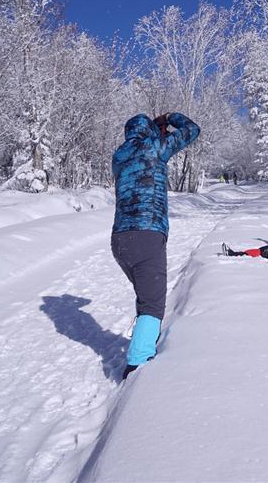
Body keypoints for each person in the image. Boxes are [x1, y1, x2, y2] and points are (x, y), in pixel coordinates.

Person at [111, 112, 200, 379]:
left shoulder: (119, 156)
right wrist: (170, 118)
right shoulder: (154, 147)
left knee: (145, 296)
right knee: (152, 304)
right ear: (149, 131)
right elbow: (192, 129)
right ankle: (138, 366)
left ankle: (144, 339)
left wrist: (155, 130)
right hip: (147, 235)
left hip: (119, 240)